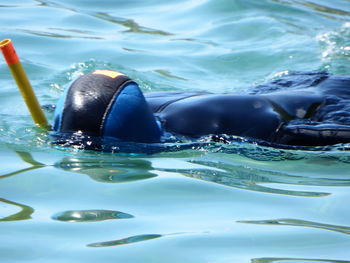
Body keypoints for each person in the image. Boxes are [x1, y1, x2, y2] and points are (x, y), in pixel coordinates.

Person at [53, 69, 350, 148]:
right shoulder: (148, 107)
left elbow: (296, 134)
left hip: (325, 98)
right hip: (275, 89)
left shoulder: (201, 136)